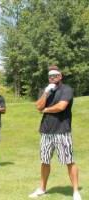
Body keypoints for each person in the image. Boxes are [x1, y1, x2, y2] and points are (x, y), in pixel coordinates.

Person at [29, 66, 82, 200]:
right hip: (46, 131)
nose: (52, 77)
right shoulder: (45, 90)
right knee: (45, 160)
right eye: (50, 76)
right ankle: (42, 189)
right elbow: (38, 106)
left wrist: (45, 110)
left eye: (55, 75)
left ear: (60, 76)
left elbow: (61, 106)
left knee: (69, 161)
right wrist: (46, 93)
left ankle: (75, 191)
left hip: (62, 131)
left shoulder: (67, 89)